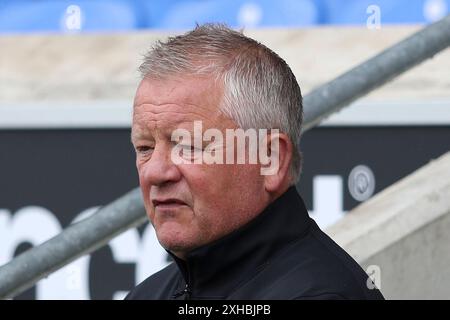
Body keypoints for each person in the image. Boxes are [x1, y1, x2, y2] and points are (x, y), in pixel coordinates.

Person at [126, 23, 384, 300]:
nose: (155, 172)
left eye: (188, 146)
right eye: (144, 147)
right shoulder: (147, 295)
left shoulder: (322, 295)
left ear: (270, 158)